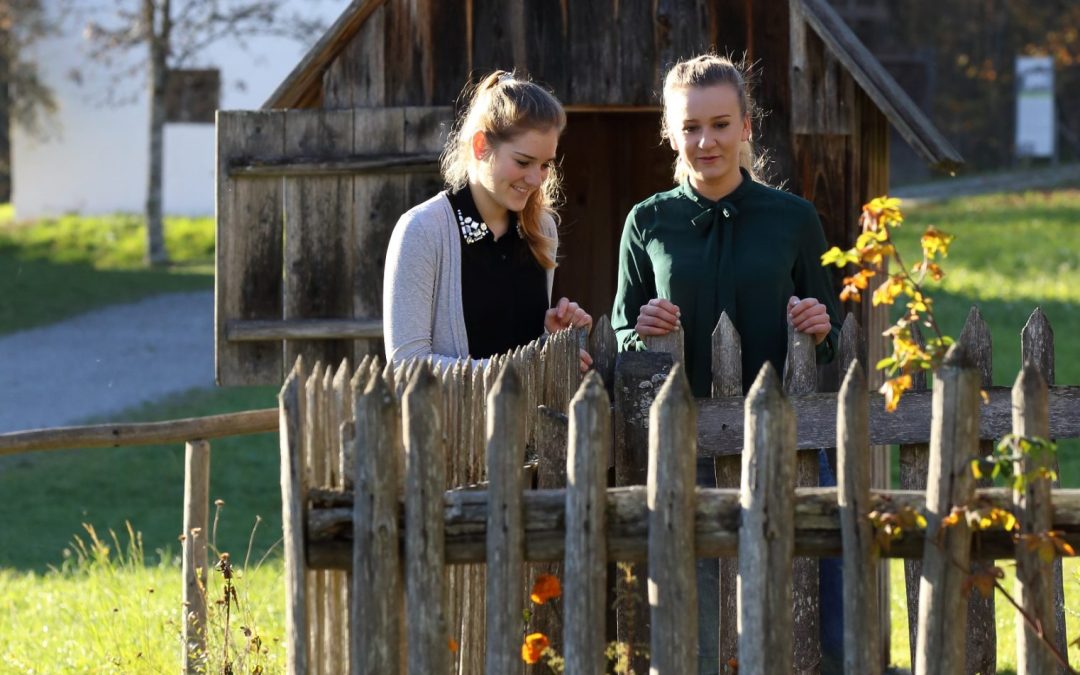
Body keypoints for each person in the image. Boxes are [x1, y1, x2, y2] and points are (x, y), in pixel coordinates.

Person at [610, 54, 844, 673]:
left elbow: (831, 333)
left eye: (719, 124)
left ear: (746, 126)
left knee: (814, 626)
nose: (705, 140)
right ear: (670, 130)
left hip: (790, 444)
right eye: (690, 127)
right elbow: (620, 328)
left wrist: (820, 327)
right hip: (687, 453)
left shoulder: (793, 218)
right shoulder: (647, 222)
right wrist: (641, 332)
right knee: (703, 635)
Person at [384, 71, 592, 372]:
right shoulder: (421, 231)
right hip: (450, 421)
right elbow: (407, 365)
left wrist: (553, 343)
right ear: (481, 145)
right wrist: (520, 371)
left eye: (545, 164)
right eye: (523, 162)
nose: (536, 179)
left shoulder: (542, 228)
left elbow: (523, 355)